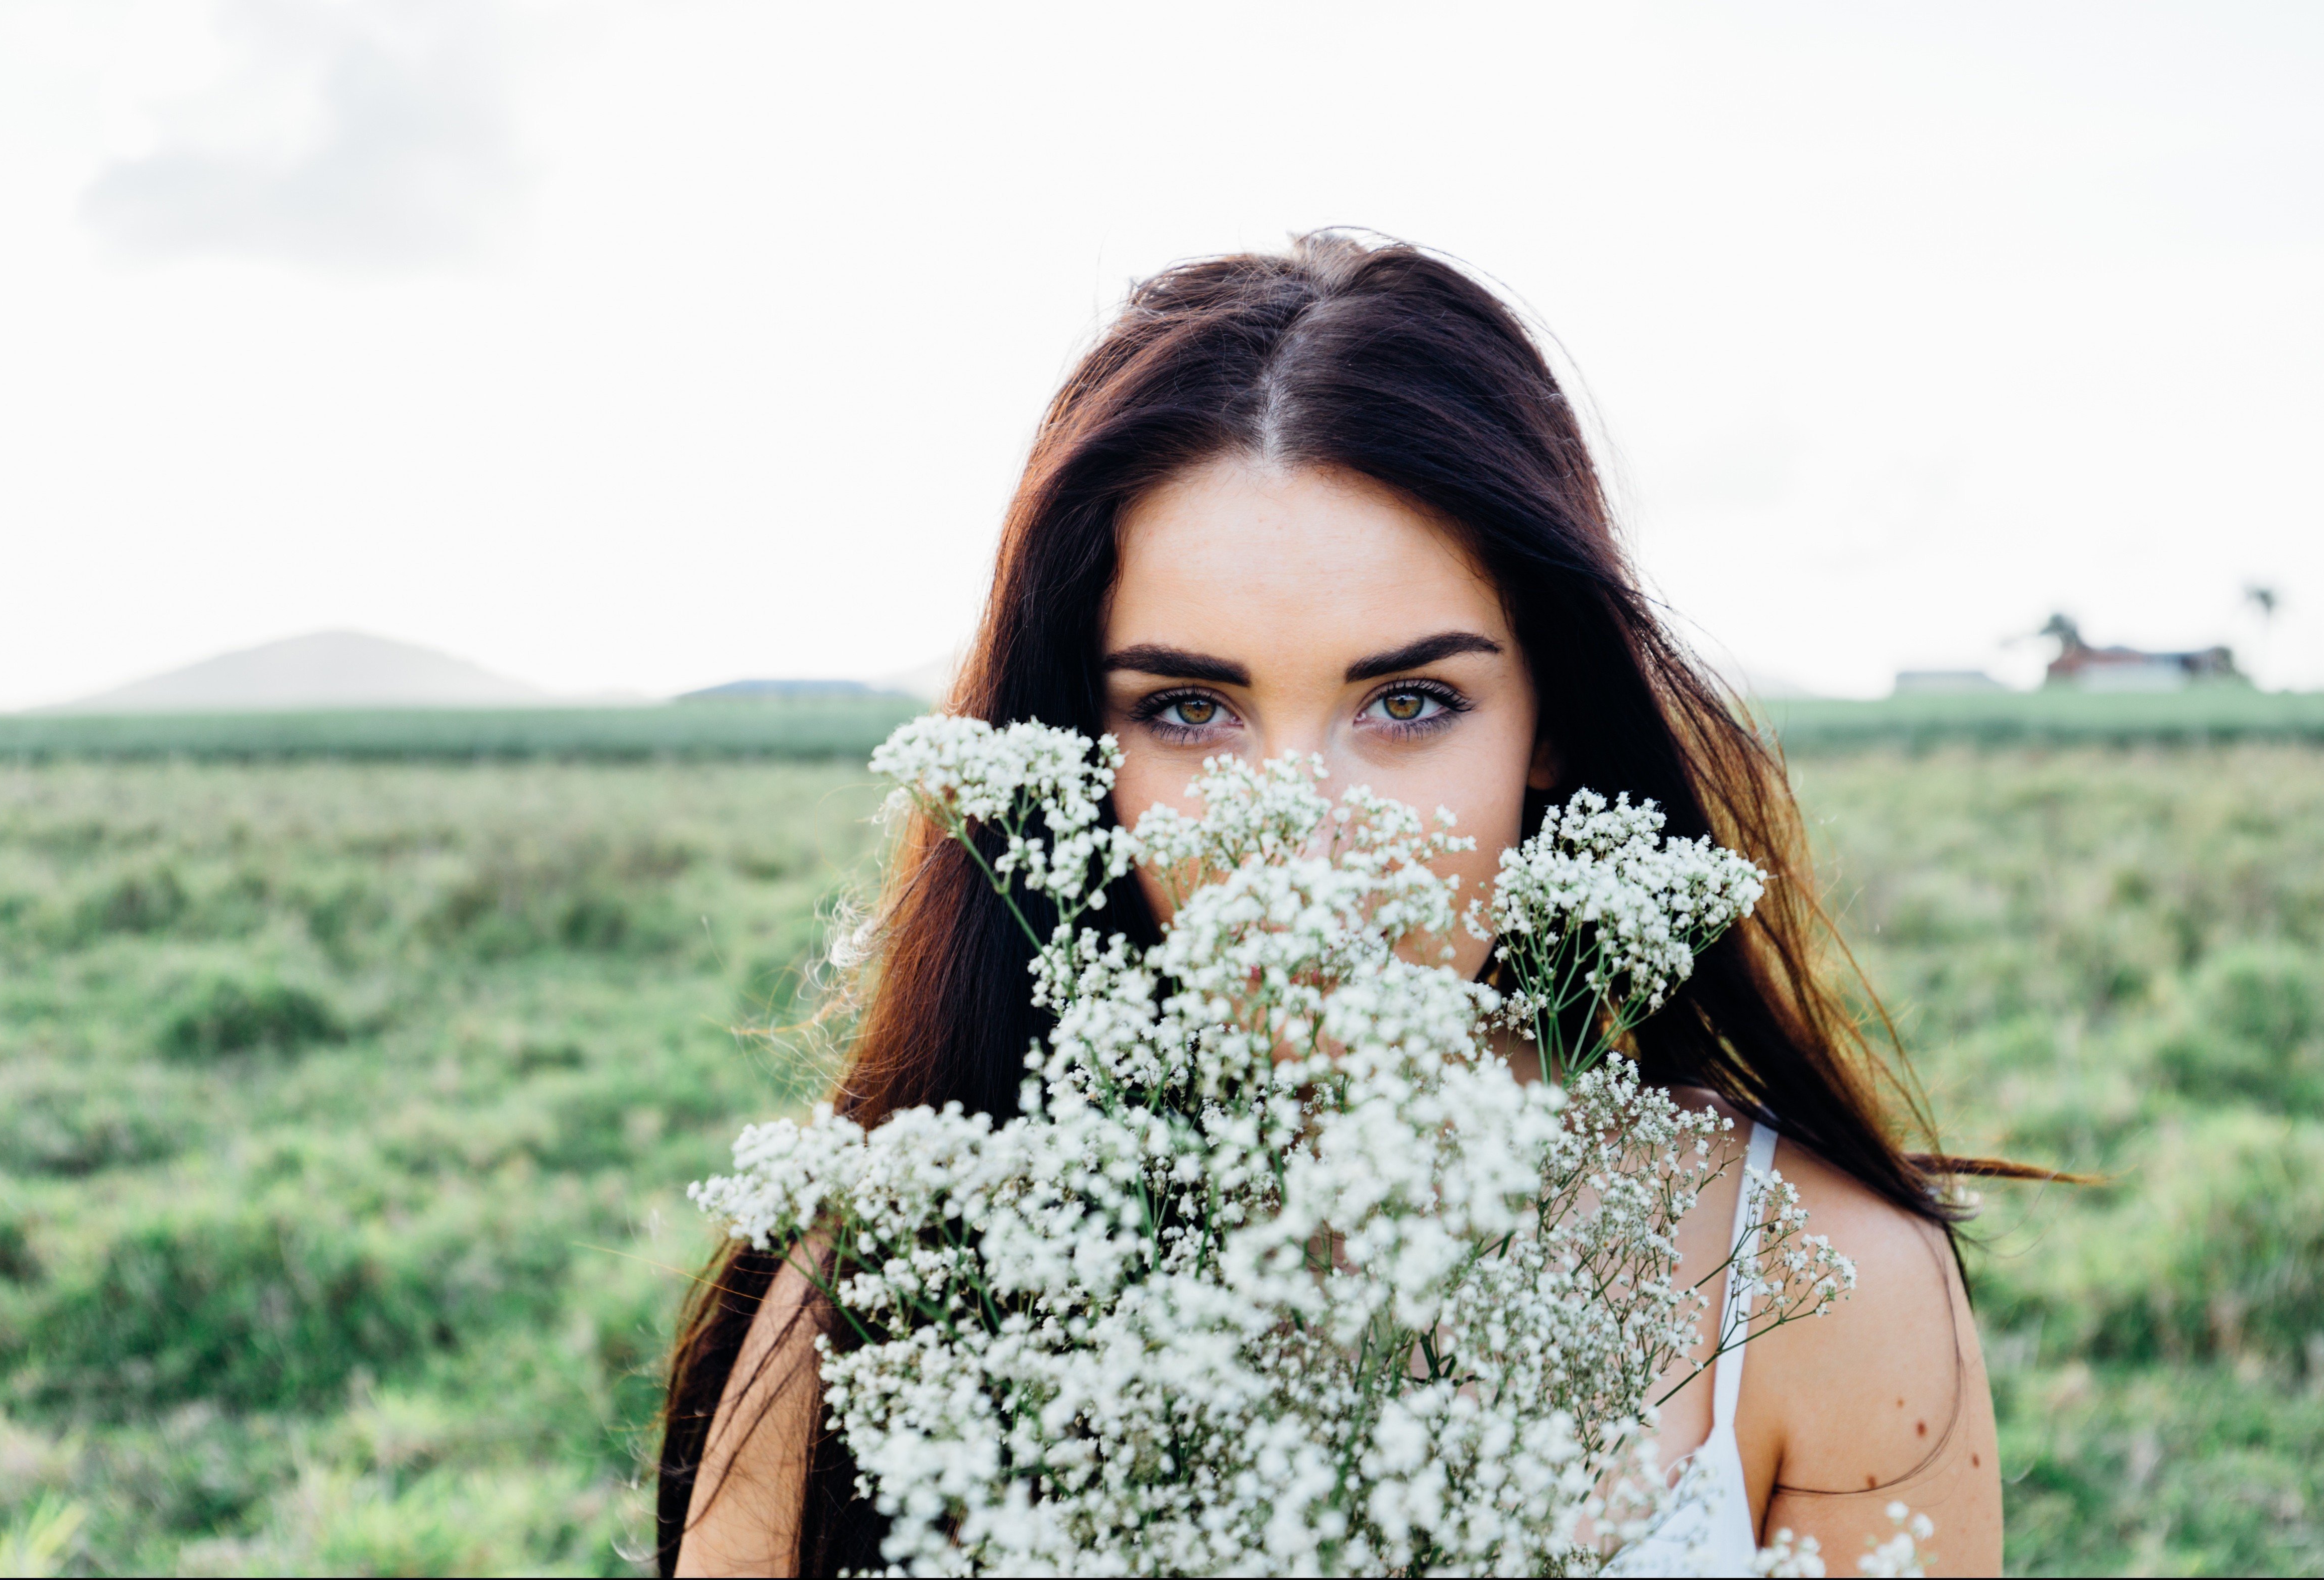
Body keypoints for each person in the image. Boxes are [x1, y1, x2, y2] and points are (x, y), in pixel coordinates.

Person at [657, 232, 2008, 1576]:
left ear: (1551, 723)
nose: (1301, 838)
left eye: (1410, 702)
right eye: (1189, 708)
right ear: (1076, 745)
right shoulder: (893, 1277)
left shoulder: (1820, 1279)